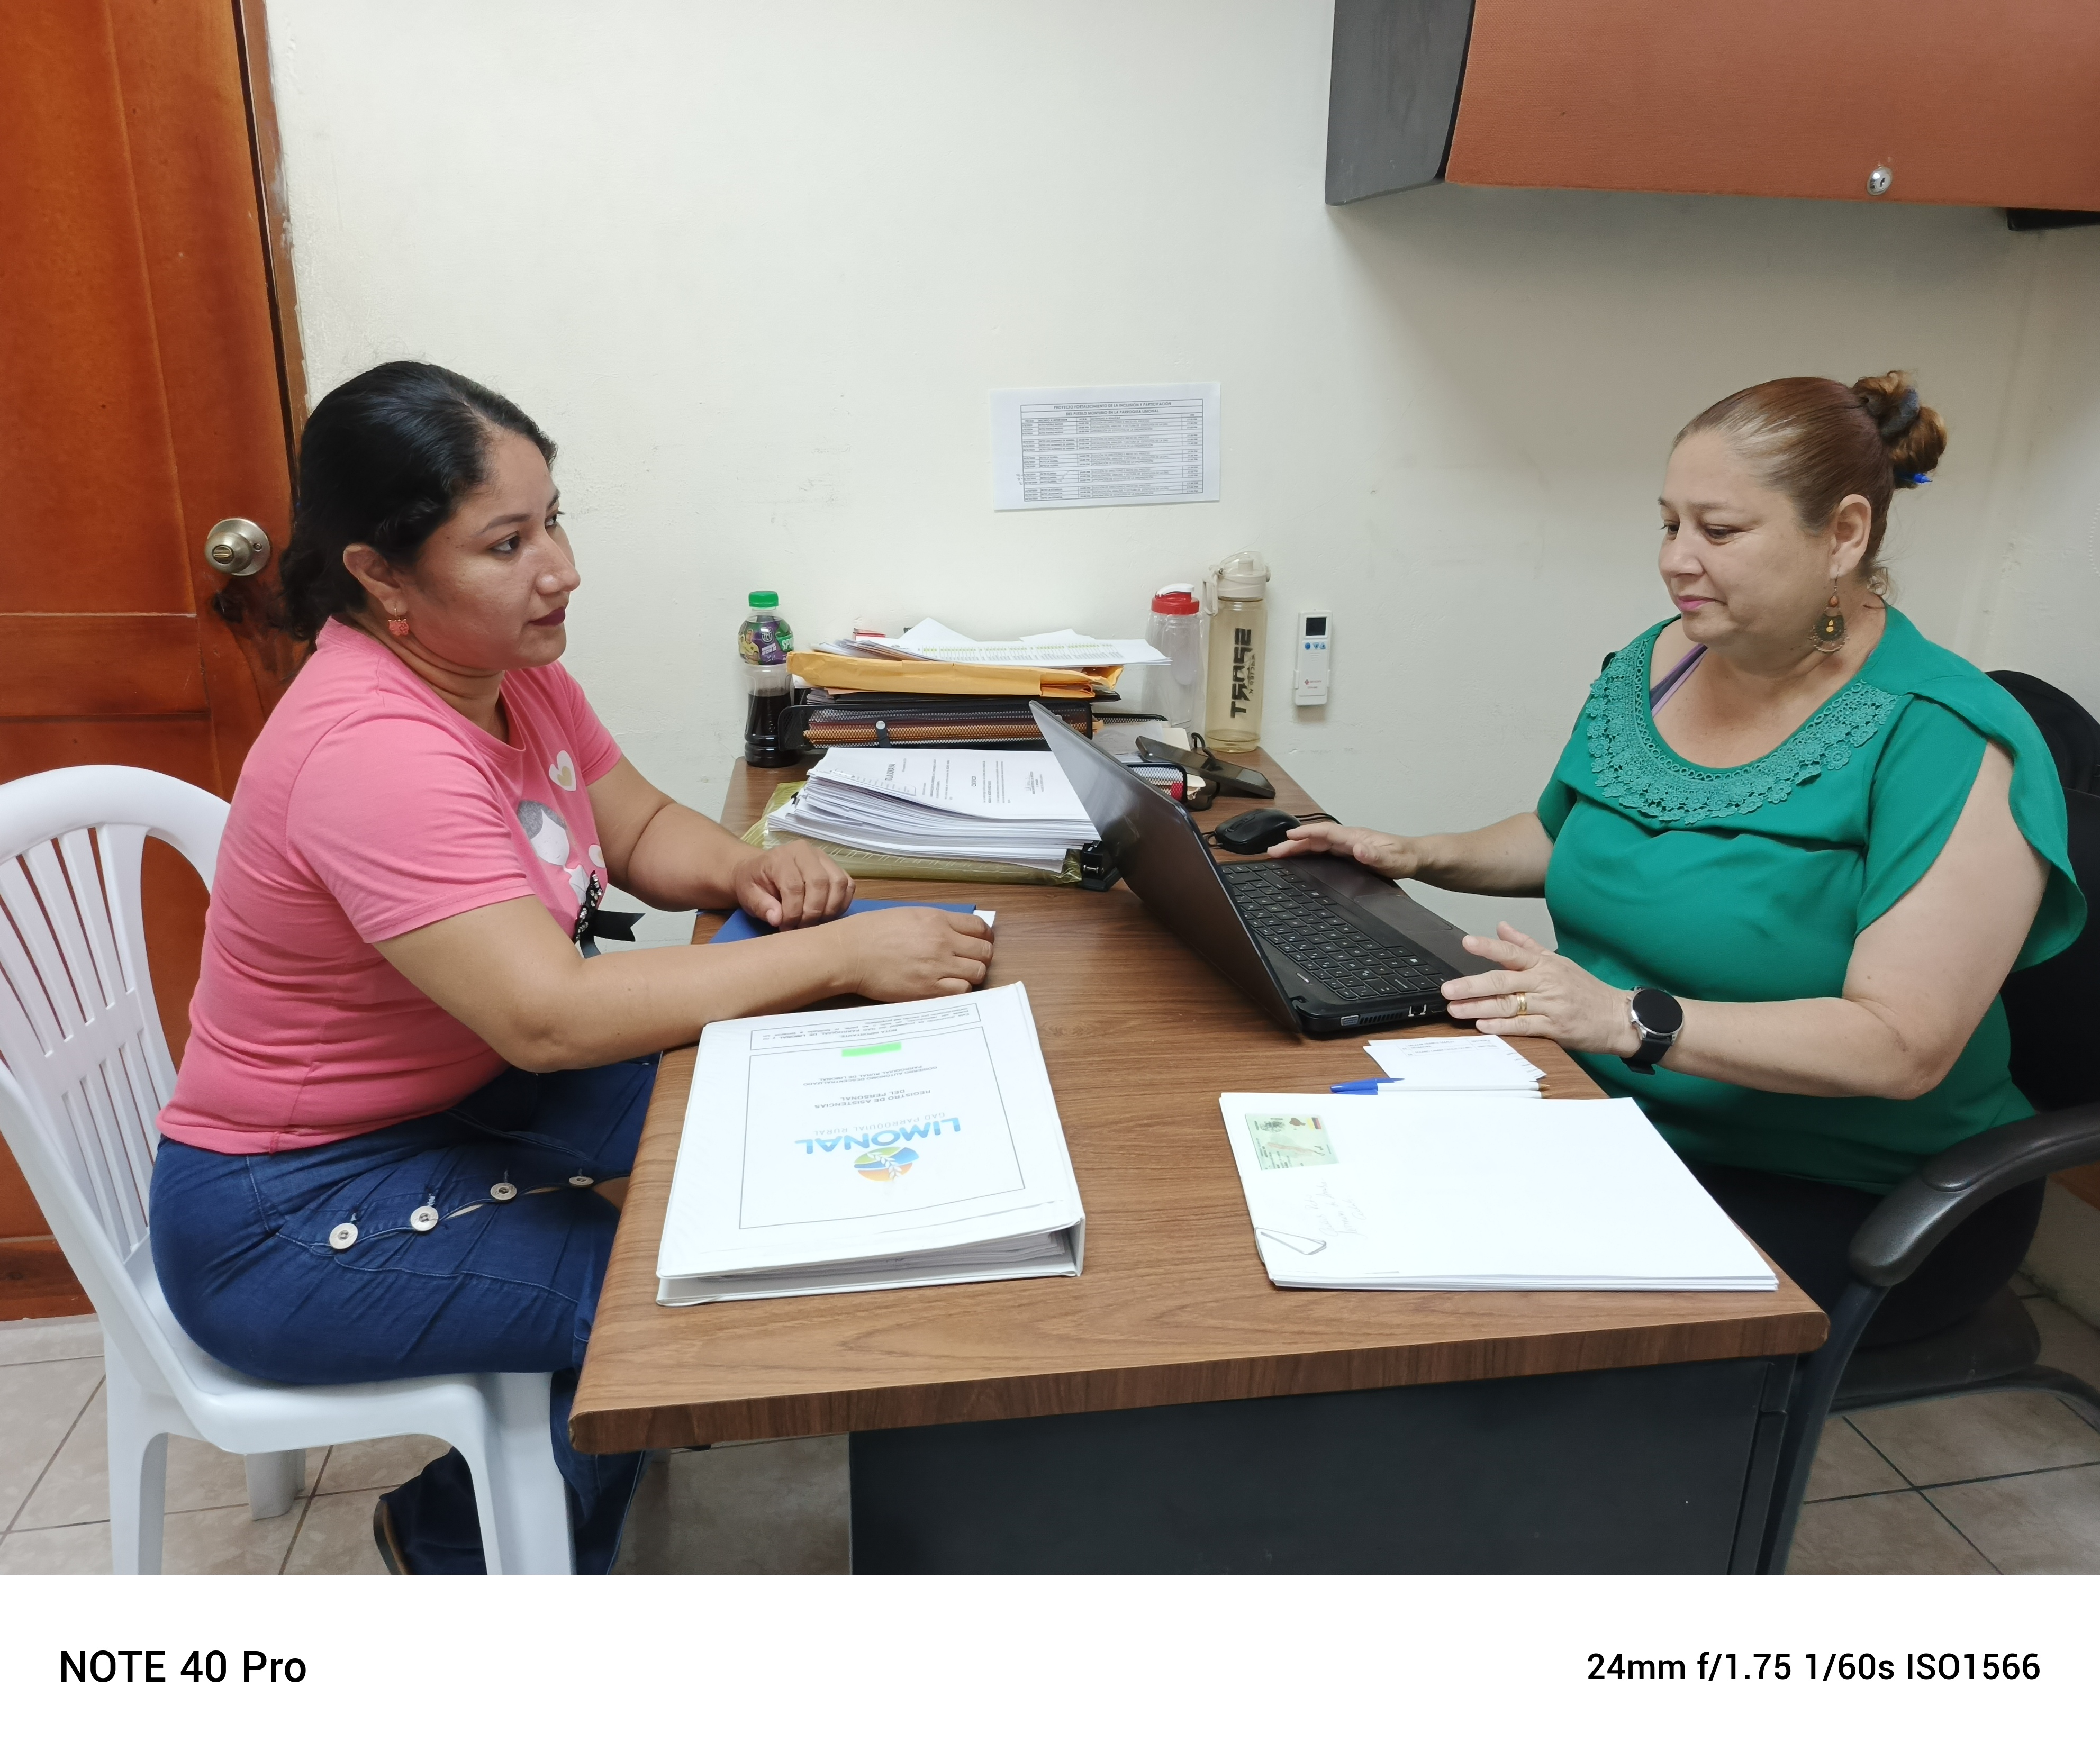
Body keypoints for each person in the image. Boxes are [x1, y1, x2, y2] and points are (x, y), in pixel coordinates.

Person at [149, 361, 994, 1572]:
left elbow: (637, 827)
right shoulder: (372, 747)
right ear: (380, 575)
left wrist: (753, 871)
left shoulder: (513, 673)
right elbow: (549, 1017)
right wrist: (838, 955)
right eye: (507, 543)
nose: (561, 569)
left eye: (552, 521)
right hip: (286, 1210)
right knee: (669, 1295)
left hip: (457, 1095)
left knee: (767, 1125)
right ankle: (452, 1539)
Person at [1273, 373, 2084, 1344]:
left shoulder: (1944, 734)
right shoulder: (1664, 661)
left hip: (1851, 1190)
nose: (1675, 560)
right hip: (1610, 1119)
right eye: (1668, 524)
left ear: (1844, 534)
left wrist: (1625, 1019)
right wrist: (1414, 851)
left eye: (1719, 531)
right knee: (1324, 1206)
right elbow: (1572, 835)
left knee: (1461, 1325)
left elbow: (1902, 1044)